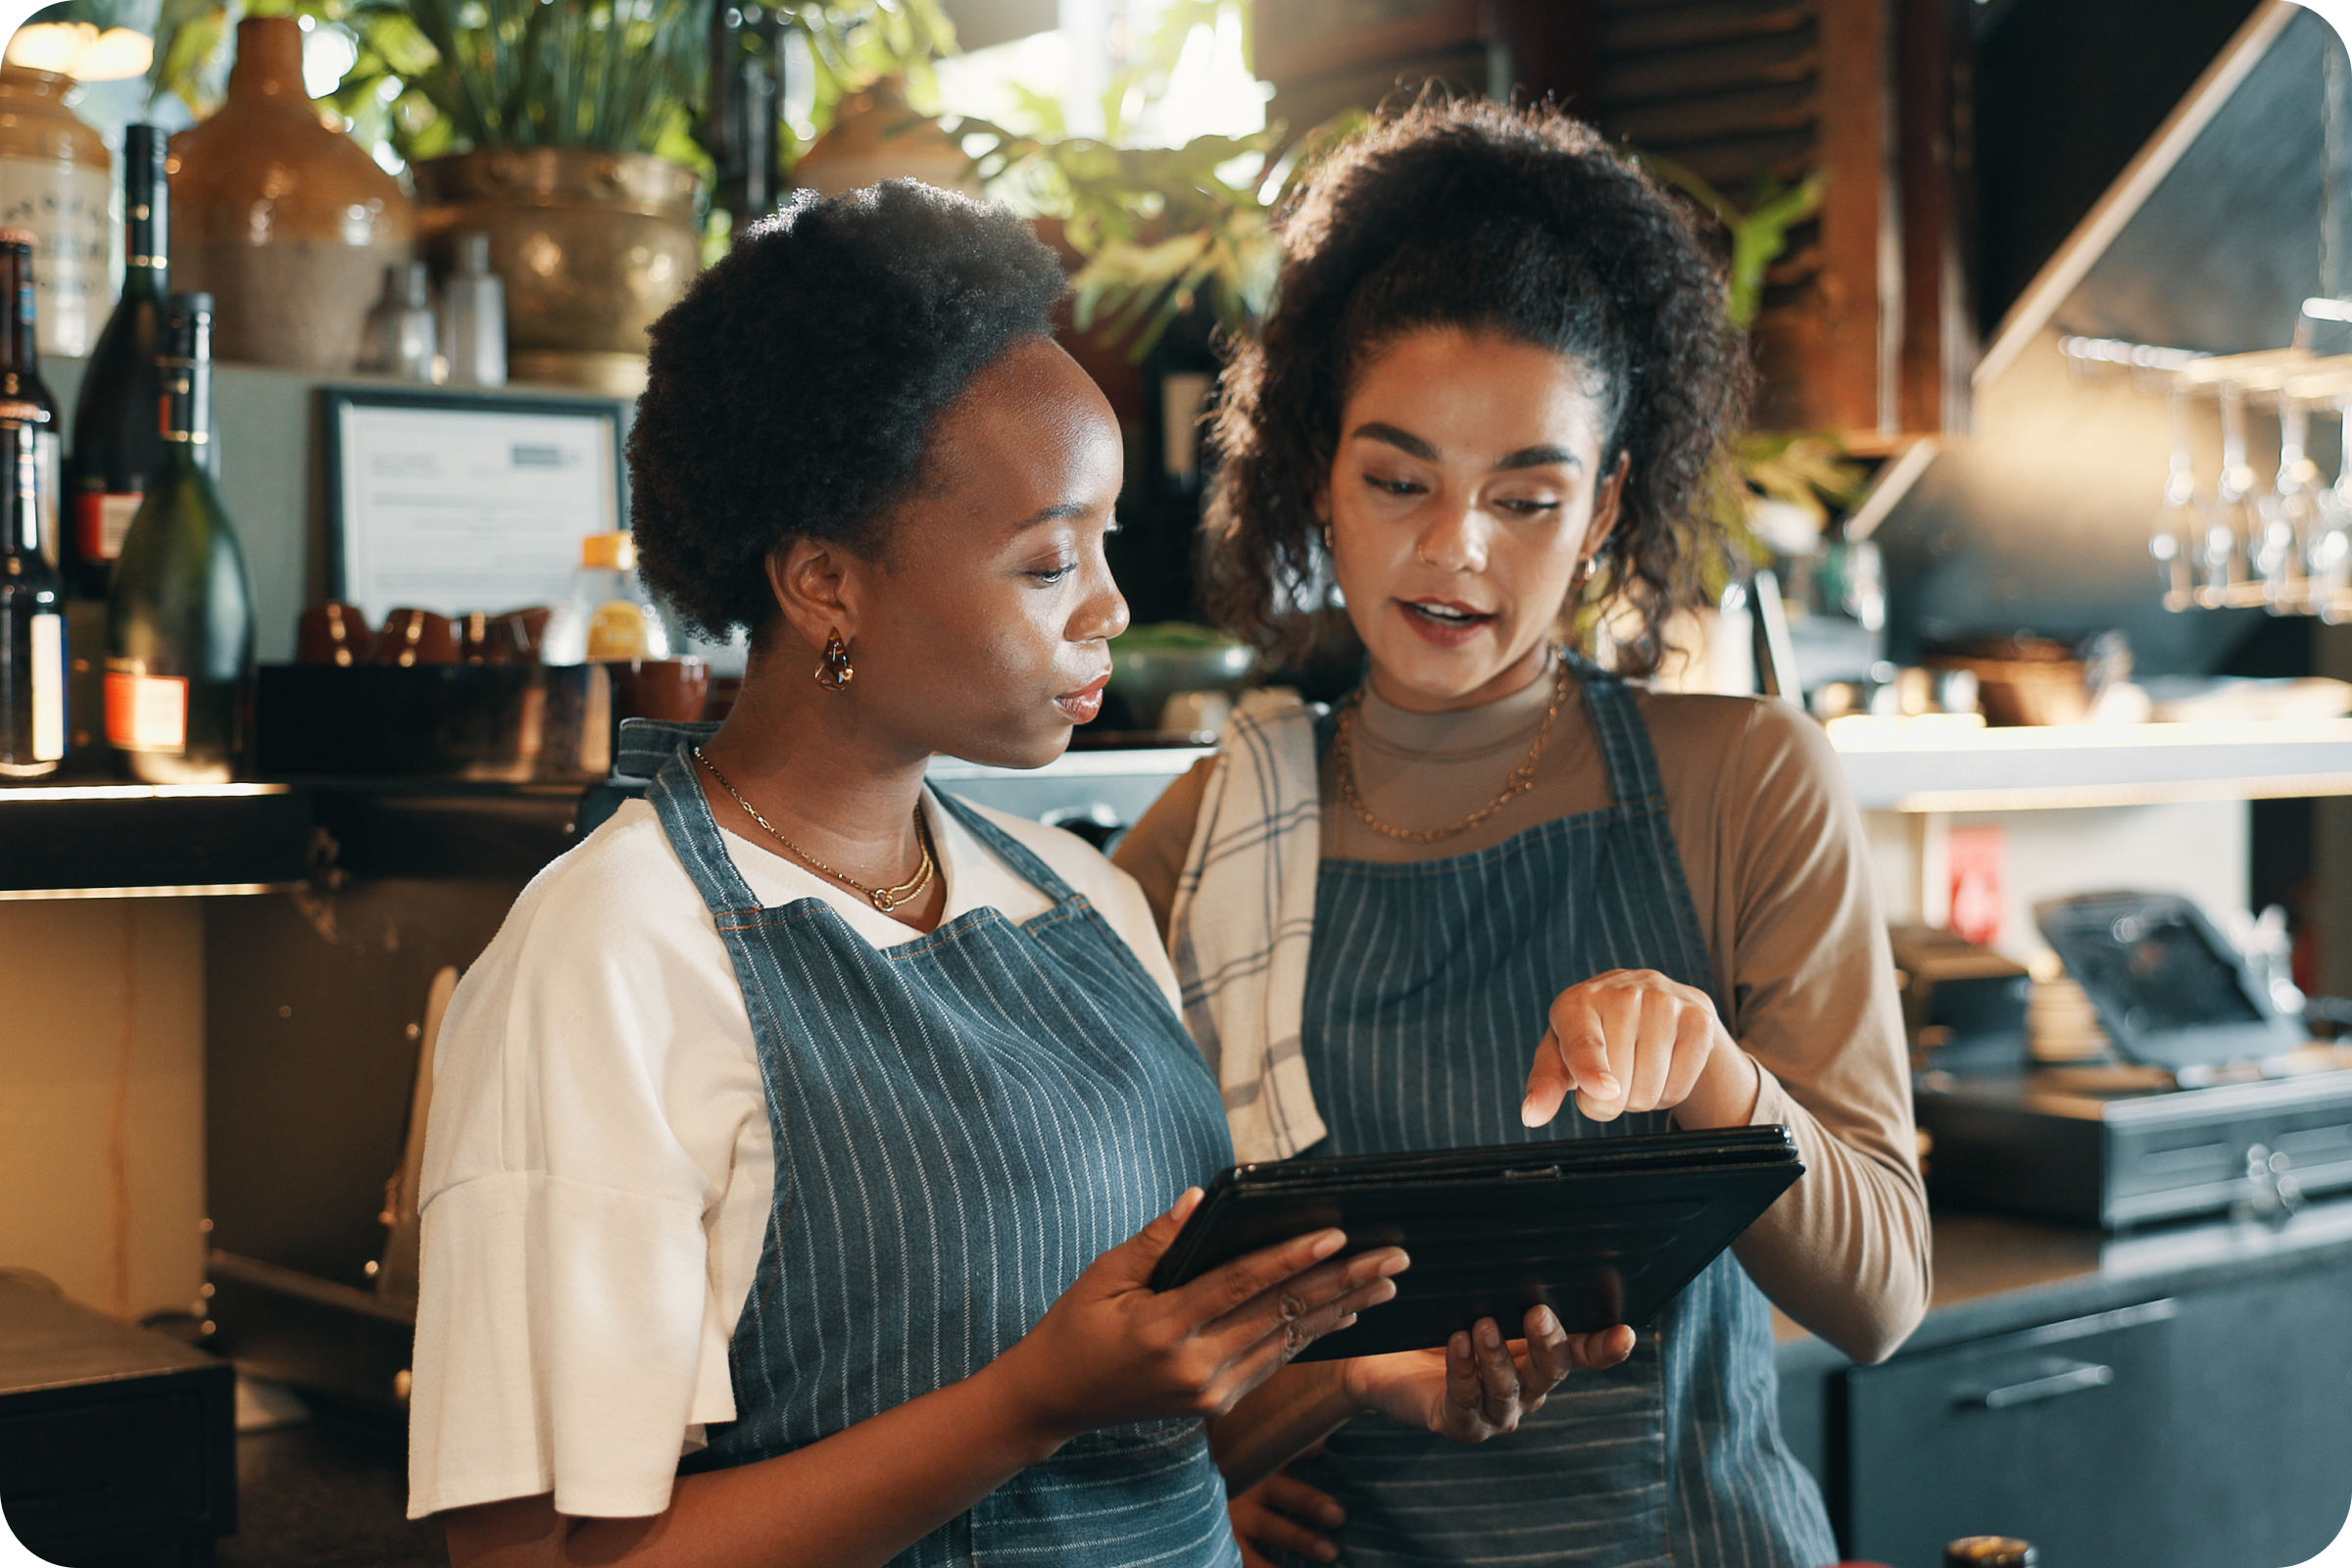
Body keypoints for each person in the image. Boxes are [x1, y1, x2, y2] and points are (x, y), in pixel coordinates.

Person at [405, 182, 1601, 1568]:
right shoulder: (612, 957)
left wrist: (1347, 1379)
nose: (1107, 607)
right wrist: (1026, 1402)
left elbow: (1125, 1467)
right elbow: (526, 1561)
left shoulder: (1074, 901)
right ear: (822, 584)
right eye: (1046, 563)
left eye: (1101, 545)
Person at [1114, 101, 1933, 1568]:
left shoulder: (1743, 782)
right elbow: (1132, 1378)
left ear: (1608, 504)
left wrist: (1712, 1078)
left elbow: (1884, 1300)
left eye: (1528, 496)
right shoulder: (1201, 839)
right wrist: (1235, 1469)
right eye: (1398, 479)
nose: (1456, 550)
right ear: (1316, 472)